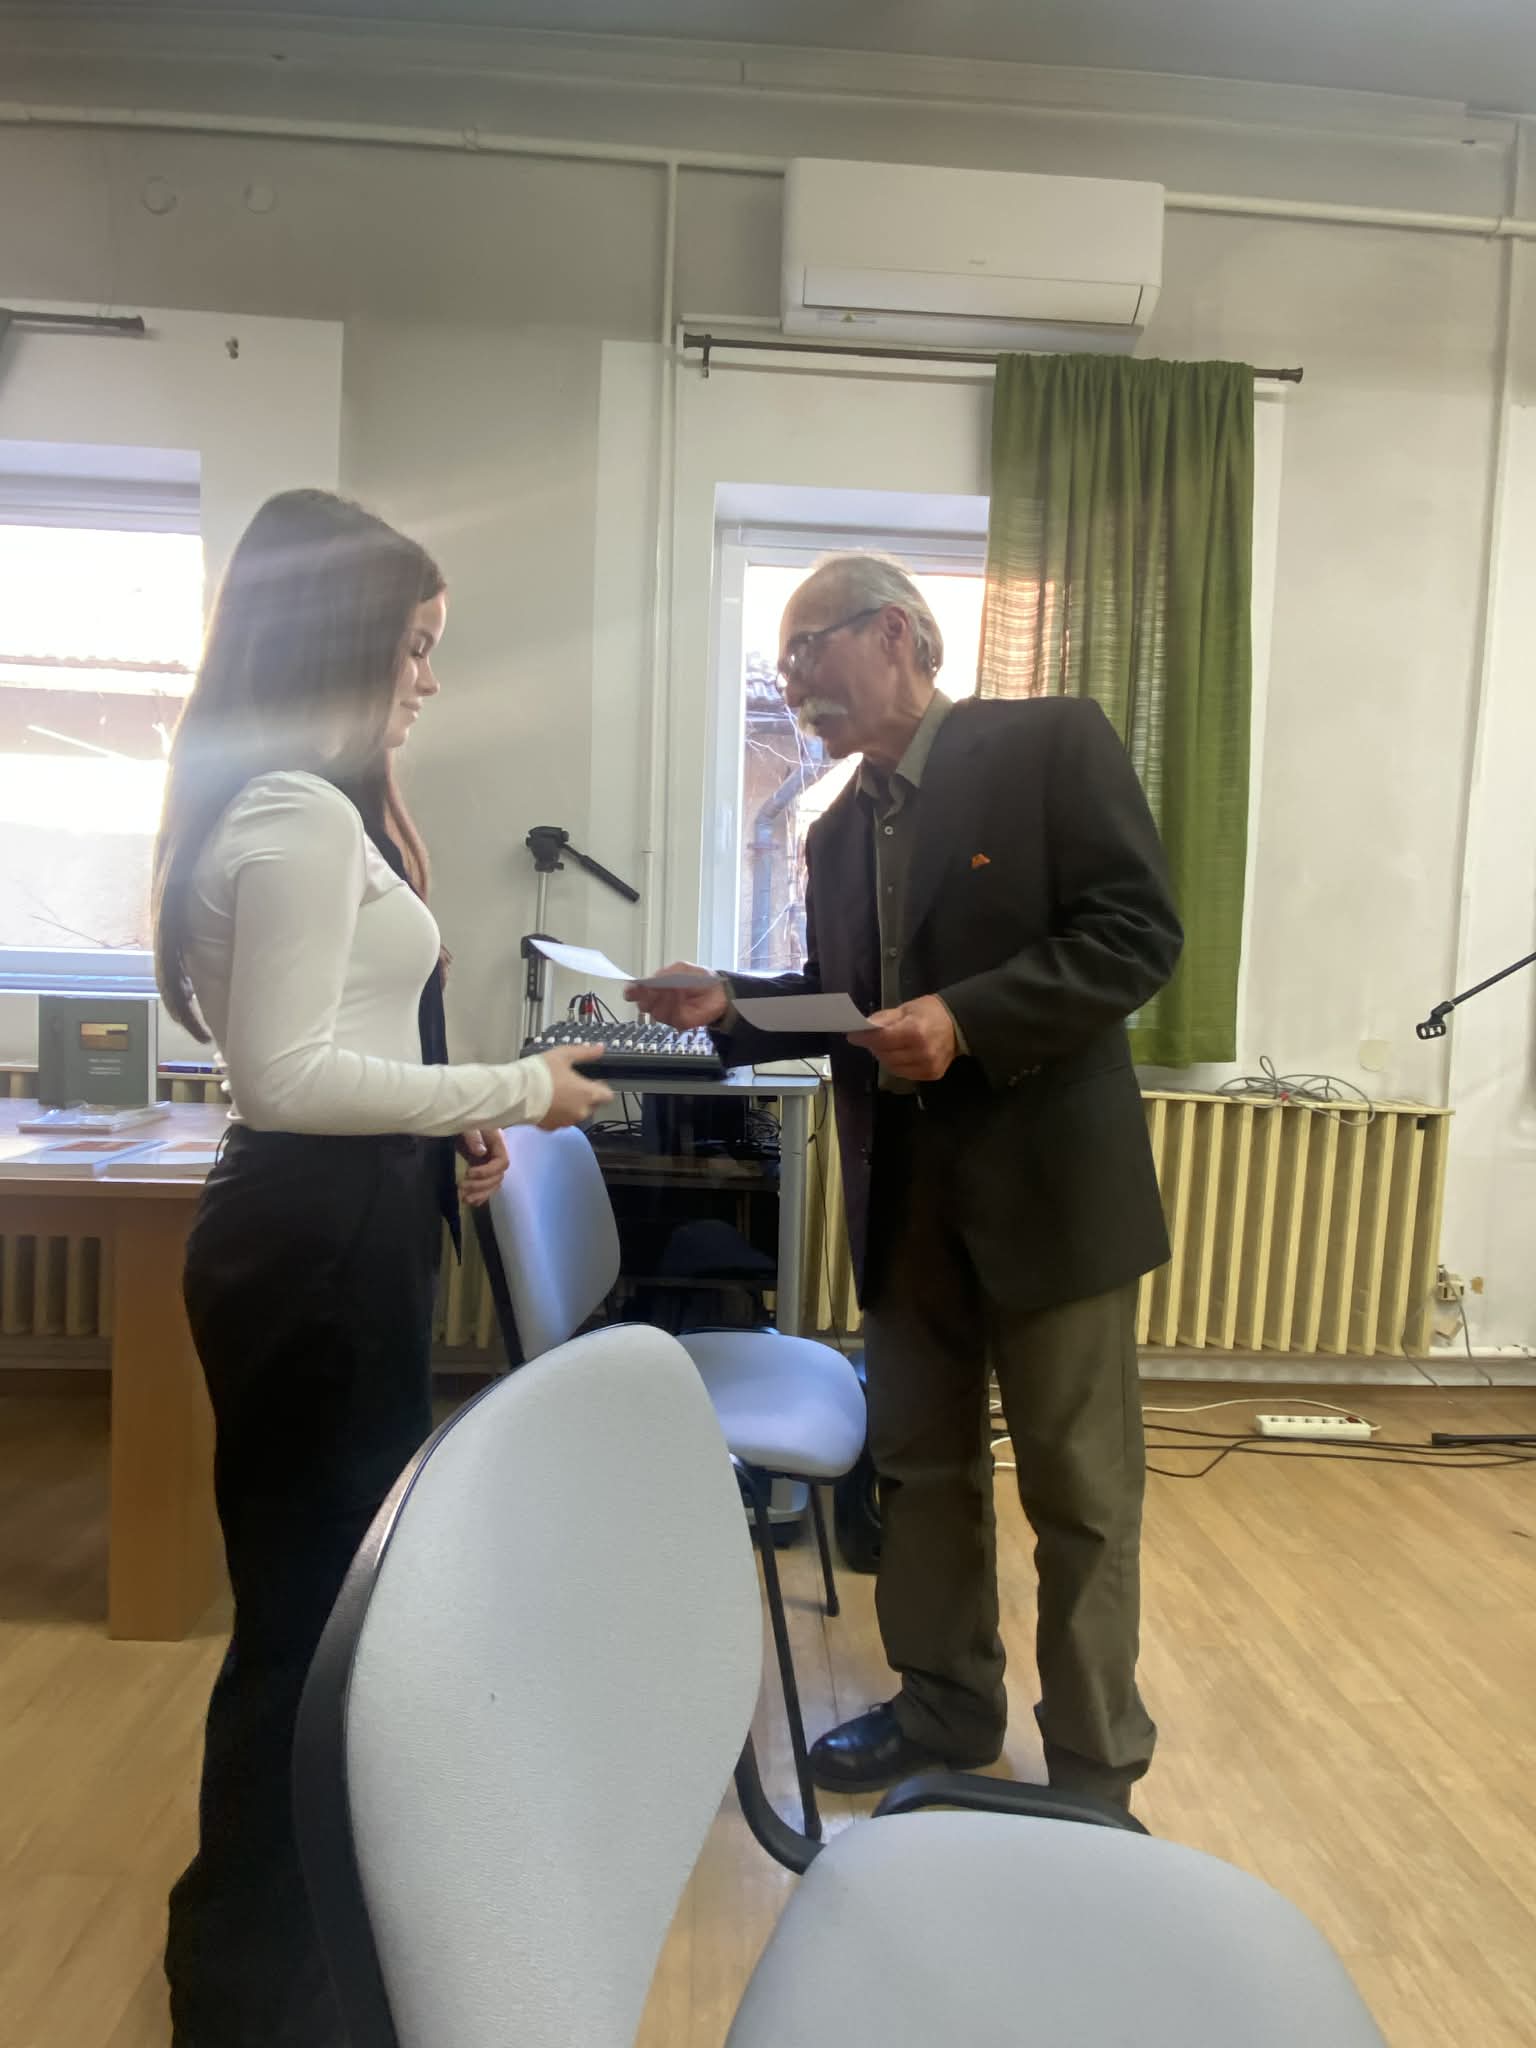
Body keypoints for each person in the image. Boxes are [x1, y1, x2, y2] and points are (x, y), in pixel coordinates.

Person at [152, 489, 610, 2047]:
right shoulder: (291, 812)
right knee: (303, 1633)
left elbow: (338, 1051)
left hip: (338, 1232)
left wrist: (439, 1130)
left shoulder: (314, 807)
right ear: (337, 638)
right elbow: (284, 1079)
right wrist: (517, 1090)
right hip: (309, 1255)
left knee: (324, 1620)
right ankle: (245, 1988)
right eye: (412, 647)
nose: (427, 679)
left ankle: (288, 1958)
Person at [632, 552, 1181, 1811]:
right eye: (782, 665)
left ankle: (1096, 1764)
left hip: (1052, 1199)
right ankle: (945, 1705)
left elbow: (1135, 932)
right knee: (922, 1474)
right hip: (906, 1206)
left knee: (1081, 1494)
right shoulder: (831, 833)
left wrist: (968, 1019)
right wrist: (731, 1002)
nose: (791, 684)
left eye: (804, 650)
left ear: (894, 632)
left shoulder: (1048, 745)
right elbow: (849, 1008)